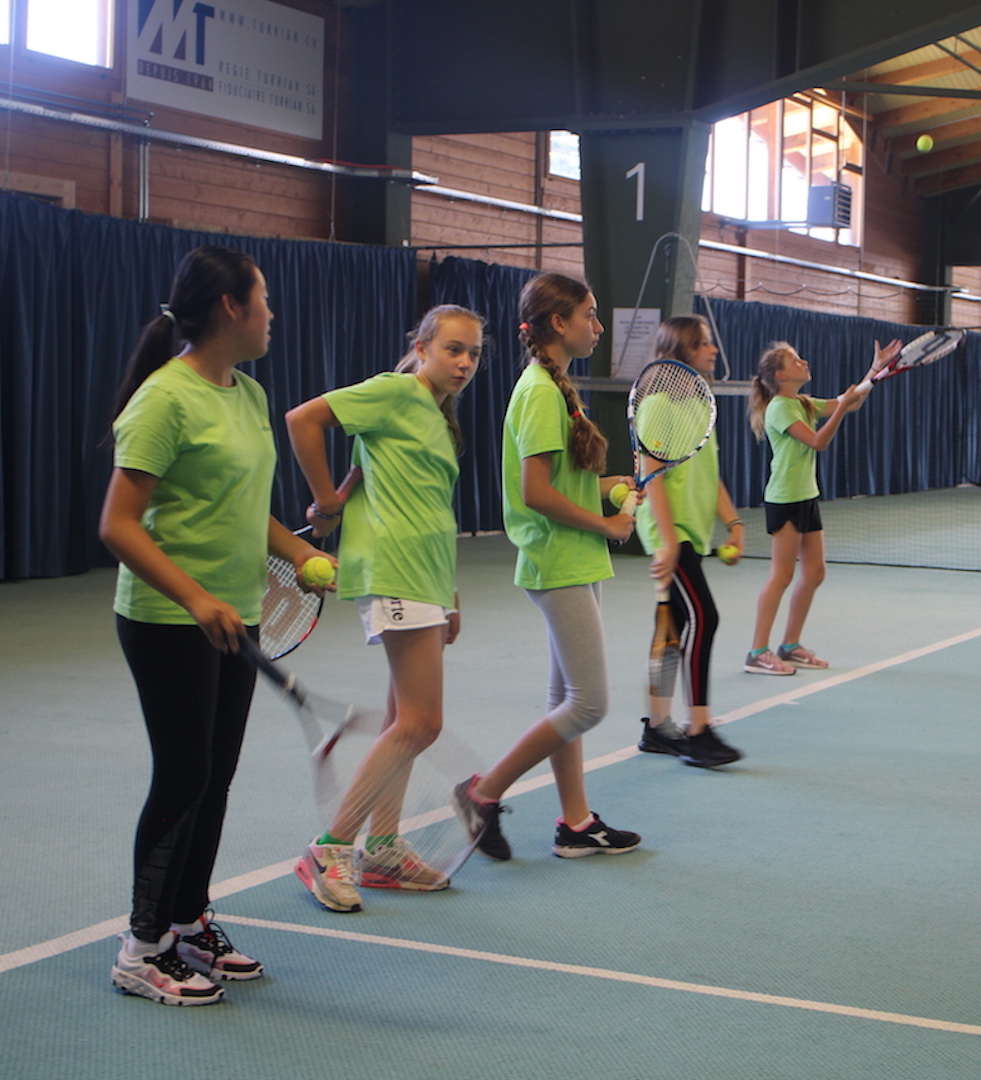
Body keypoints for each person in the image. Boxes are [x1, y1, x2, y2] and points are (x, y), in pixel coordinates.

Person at [100, 245, 330, 1005]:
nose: (272, 314)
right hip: (169, 618)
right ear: (231, 307)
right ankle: (142, 946)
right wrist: (196, 598)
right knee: (183, 774)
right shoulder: (164, 399)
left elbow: (244, 508)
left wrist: (299, 552)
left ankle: (187, 920)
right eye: (263, 300)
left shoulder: (249, 394)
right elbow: (118, 525)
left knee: (214, 774)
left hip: (237, 615)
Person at [283, 305, 483, 912]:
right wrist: (325, 500)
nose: (465, 363)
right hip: (394, 569)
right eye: (453, 349)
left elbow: (400, 488)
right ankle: (330, 848)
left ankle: (385, 849)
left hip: (425, 576)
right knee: (421, 723)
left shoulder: (438, 418)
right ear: (421, 348)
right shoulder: (396, 392)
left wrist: (447, 593)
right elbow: (303, 420)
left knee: (405, 720)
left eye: (473, 354)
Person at [451, 272, 642, 860]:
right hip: (557, 559)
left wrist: (612, 487)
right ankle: (482, 793)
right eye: (590, 314)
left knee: (566, 700)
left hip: (575, 558)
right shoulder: (538, 391)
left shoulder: (559, 388)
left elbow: (565, 483)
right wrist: (607, 525)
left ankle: (576, 823)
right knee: (589, 704)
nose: (598, 326)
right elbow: (534, 493)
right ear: (558, 323)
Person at [743, 338, 898, 675]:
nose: (804, 362)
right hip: (785, 498)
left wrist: (876, 368)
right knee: (782, 575)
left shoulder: (802, 402)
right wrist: (841, 408)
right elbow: (818, 441)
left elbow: (851, 401)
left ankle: (789, 646)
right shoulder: (780, 407)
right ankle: (757, 652)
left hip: (807, 496)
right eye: (796, 360)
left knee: (814, 572)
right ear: (781, 375)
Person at [632, 316, 747, 768]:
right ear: (682, 350)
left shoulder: (701, 405)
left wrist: (733, 522)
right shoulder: (657, 404)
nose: (713, 349)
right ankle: (698, 730)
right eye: (703, 343)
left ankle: (658, 728)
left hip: (691, 532)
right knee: (705, 616)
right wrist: (666, 541)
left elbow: (709, 474)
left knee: (673, 625)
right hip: (671, 530)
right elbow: (651, 474)